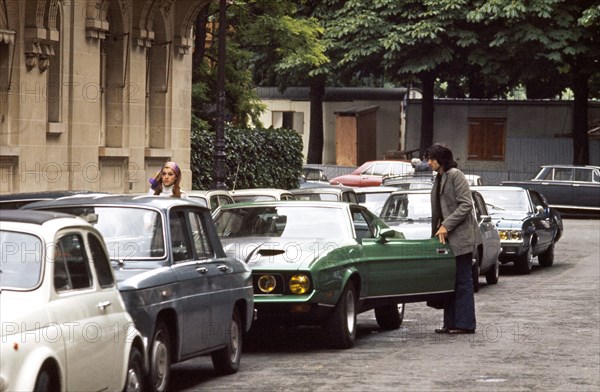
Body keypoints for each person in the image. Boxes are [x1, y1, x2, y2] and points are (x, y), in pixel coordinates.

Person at [424, 143, 481, 334]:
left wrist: (446, 225)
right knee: (449, 280)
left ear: (441, 160)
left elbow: (466, 205)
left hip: (461, 237)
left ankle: (465, 324)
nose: (428, 162)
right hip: (445, 238)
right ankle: (450, 323)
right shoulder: (439, 178)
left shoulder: (456, 175)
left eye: (432, 158)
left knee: (463, 281)